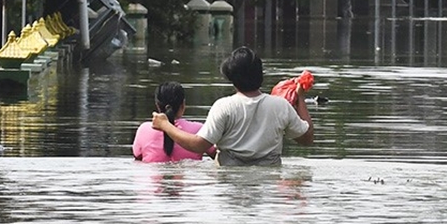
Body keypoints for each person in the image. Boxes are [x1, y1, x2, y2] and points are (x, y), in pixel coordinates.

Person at [152, 46, 313, 166]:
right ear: (260, 75)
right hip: (268, 186)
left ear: (231, 78)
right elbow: (307, 138)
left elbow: (199, 145)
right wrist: (300, 98)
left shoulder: (224, 106)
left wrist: (166, 125)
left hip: (228, 183)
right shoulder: (280, 106)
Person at [133, 81, 213, 162]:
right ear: (183, 105)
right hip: (189, 172)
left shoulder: (144, 130)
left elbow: (137, 156)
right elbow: (217, 154)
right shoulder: (199, 130)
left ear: (157, 105)